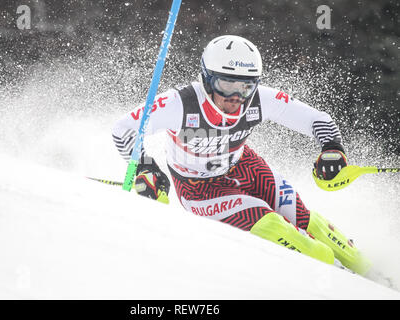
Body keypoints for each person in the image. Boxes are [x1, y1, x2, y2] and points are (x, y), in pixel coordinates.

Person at [112, 35, 371, 275]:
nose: (236, 97)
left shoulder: (259, 99)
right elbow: (123, 130)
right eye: (226, 85)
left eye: (246, 86)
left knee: (306, 220)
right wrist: (146, 167)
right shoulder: (180, 103)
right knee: (281, 230)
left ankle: (374, 276)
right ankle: (336, 281)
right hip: (199, 189)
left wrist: (332, 149)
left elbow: (317, 120)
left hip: (246, 167)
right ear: (207, 78)